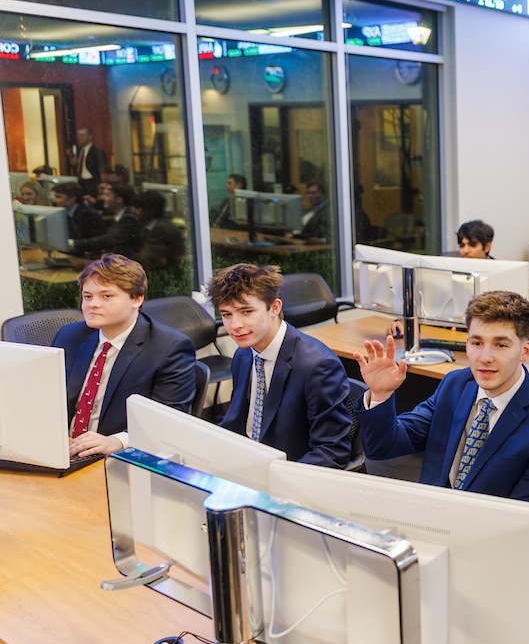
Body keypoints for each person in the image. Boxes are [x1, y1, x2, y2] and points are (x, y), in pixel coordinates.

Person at [354, 291, 529, 505]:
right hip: (429, 517)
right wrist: (381, 395)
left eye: (501, 345)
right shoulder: (455, 385)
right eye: (477, 343)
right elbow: (383, 448)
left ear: (525, 351)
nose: (484, 358)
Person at [52, 254, 196, 459]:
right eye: (87, 296)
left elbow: (169, 420)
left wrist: (117, 441)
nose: (93, 304)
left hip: (119, 455)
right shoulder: (69, 336)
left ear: (137, 298)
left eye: (106, 296)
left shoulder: (169, 348)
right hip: (64, 448)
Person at [210, 263, 352, 467]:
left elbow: (331, 452)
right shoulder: (243, 355)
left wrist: (276, 479)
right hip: (247, 464)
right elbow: (236, 423)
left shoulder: (317, 366)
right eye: (226, 315)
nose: (235, 325)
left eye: (247, 311)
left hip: (290, 474)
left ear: (274, 307)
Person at [71, 182, 142, 258]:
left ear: (118, 200)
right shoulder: (121, 216)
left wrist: (73, 243)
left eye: (107, 195)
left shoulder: (129, 218)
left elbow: (107, 240)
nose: (102, 198)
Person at [131, 191, 185, 270]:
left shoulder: (161, 230)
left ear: (151, 210)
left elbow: (146, 258)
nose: (133, 211)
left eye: (138, 208)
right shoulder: (151, 226)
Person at [70, 127, 107, 199]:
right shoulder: (78, 150)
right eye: (78, 135)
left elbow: (102, 168)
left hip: (92, 182)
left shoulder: (97, 151)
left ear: (90, 137)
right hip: (80, 182)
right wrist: (73, 163)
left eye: (82, 135)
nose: (80, 138)